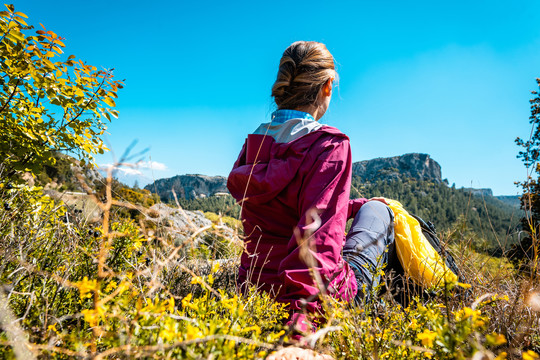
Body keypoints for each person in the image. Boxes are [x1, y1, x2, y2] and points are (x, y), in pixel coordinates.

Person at [227, 41, 395, 334]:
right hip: (311, 302)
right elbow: (317, 244)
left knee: (367, 206)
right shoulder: (329, 145)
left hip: (255, 289)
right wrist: (302, 325)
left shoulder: (254, 145)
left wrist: (351, 205)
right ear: (327, 86)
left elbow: (286, 205)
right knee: (381, 210)